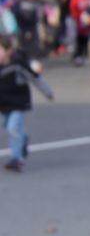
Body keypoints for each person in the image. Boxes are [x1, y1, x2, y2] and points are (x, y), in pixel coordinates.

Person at [0, 35, 52, 172]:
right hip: (2, 105)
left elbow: (35, 78)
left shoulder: (18, 64)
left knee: (13, 128)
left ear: (8, 51)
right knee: (7, 126)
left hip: (18, 103)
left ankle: (16, 159)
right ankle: (23, 140)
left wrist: (48, 92)